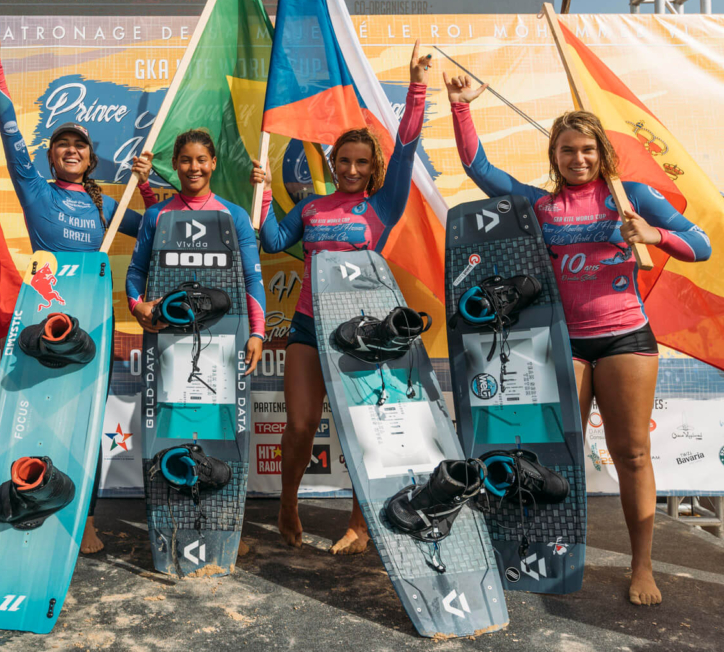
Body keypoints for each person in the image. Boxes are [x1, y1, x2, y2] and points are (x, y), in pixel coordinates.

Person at [445, 73, 711, 605]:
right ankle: (546, 554)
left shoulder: (629, 196)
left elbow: (699, 244)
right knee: (552, 457)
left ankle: (642, 566)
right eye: (568, 150)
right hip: (566, 343)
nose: (578, 159)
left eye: (588, 149)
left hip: (626, 339)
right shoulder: (541, 208)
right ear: (555, 155)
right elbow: (482, 171)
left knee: (632, 453)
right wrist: (460, 108)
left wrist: (653, 234)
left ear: (602, 153)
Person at [0, 14, 158, 554]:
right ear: (51, 156)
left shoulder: (104, 202)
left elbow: (149, 227)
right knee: (29, 412)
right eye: (62, 144)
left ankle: (86, 519)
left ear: (91, 157)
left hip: (93, 318)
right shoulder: (35, 188)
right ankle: (26, 496)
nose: (72, 149)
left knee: (84, 422)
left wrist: (145, 188)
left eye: (80, 145)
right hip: (42, 313)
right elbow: (11, 135)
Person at [251, 42, 432, 554]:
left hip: (366, 337)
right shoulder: (311, 208)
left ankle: (359, 522)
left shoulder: (383, 205)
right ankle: (288, 501)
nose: (351, 169)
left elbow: (407, 150)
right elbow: (270, 241)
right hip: (310, 327)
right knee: (302, 425)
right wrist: (264, 195)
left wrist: (416, 86)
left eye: (359, 162)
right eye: (343, 161)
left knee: (363, 429)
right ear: (332, 163)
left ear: (370, 166)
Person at [126, 129, 267, 373]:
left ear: (213, 163)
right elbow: (137, 269)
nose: (194, 167)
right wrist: (137, 306)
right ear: (174, 164)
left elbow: (252, 277)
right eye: (185, 160)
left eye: (201, 160)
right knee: (168, 409)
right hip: (168, 327)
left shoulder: (235, 215)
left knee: (218, 411)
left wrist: (257, 333)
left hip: (225, 329)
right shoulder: (155, 215)